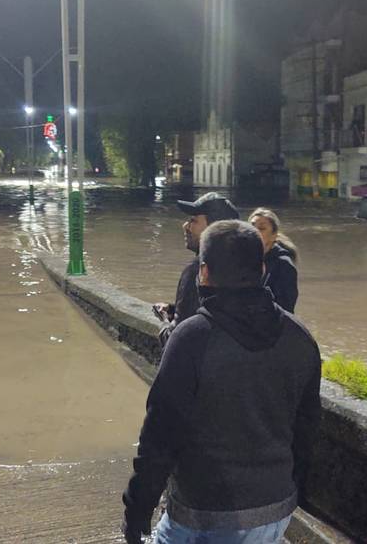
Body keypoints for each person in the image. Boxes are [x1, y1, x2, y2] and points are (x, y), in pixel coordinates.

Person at [124, 220, 322, 544]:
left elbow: (159, 436)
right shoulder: (300, 339)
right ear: (261, 268)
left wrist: (136, 512)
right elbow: (307, 431)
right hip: (276, 509)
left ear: (204, 273)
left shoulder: (192, 338)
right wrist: (289, 492)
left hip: (204, 514)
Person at [154, 192, 239, 346]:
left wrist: (165, 319)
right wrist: (176, 308)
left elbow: (176, 338)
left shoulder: (196, 271)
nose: (185, 226)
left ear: (214, 229)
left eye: (193, 220)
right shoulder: (245, 264)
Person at [249, 207, 299, 313]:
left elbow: (286, 309)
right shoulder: (243, 260)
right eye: (252, 227)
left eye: (261, 228)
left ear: (273, 236)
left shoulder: (284, 265)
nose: (254, 232)